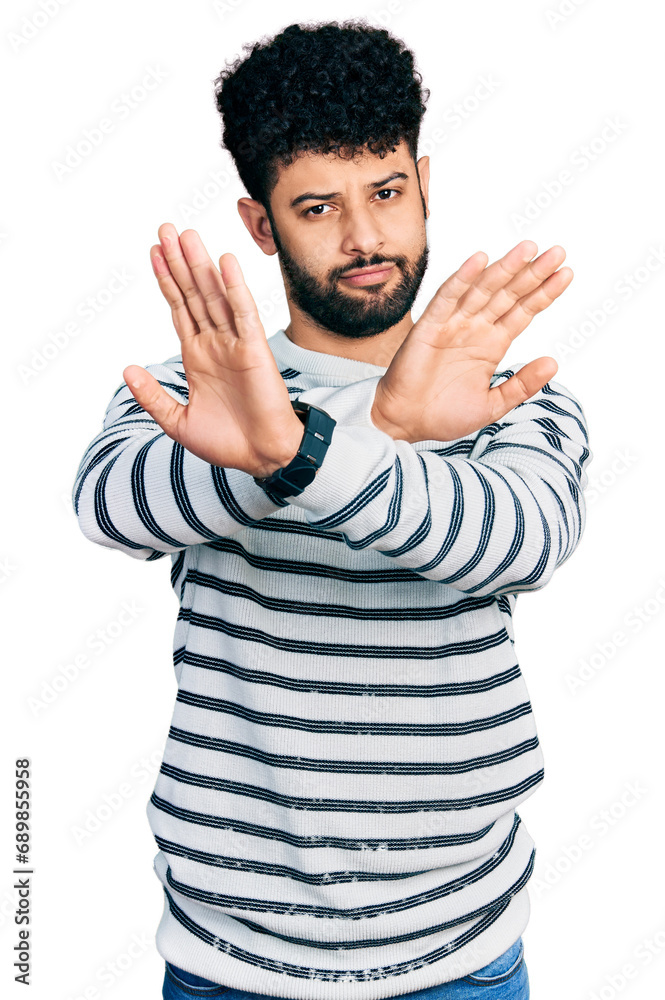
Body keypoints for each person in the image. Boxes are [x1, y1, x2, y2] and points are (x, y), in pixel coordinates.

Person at [71, 19, 592, 1000]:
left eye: (387, 193)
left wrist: (322, 448)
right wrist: (262, 454)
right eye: (316, 207)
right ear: (262, 225)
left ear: (423, 183)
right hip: (229, 958)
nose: (365, 239)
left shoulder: (509, 391)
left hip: (458, 950)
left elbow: (522, 540)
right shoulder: (200, 385)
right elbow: (108, 506)